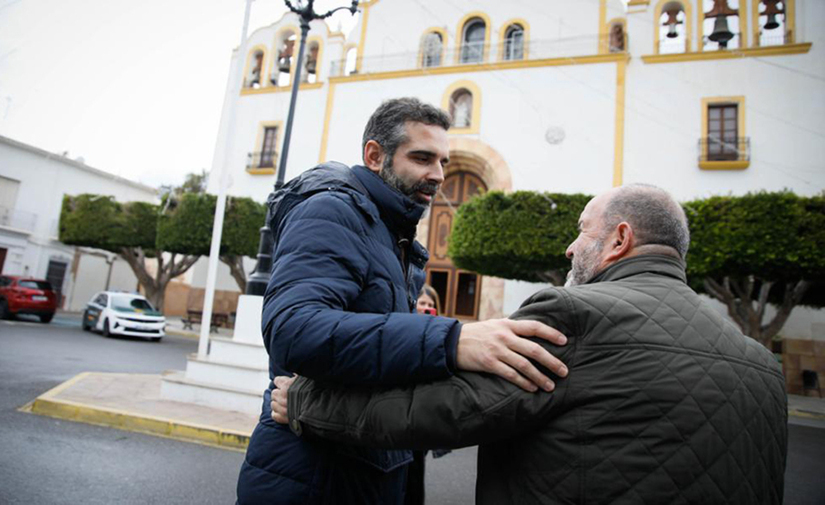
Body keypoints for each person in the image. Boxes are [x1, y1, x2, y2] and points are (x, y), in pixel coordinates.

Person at [273, 184, 788, 505]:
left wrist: (304, 401)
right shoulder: (763, 365)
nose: (569, 246)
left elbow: (438, 411)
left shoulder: (578, 319)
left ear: (619, 239)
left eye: (583, 230)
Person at [236, 97, 569, 504]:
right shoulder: (331, 211)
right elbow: (294, 331)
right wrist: (451, 341)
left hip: (373, 469)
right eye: (423, 158)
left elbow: (384, 361)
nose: (438, 175)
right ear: (375, 156)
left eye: (443, 162)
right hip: (314, 477)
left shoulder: (393, 232)